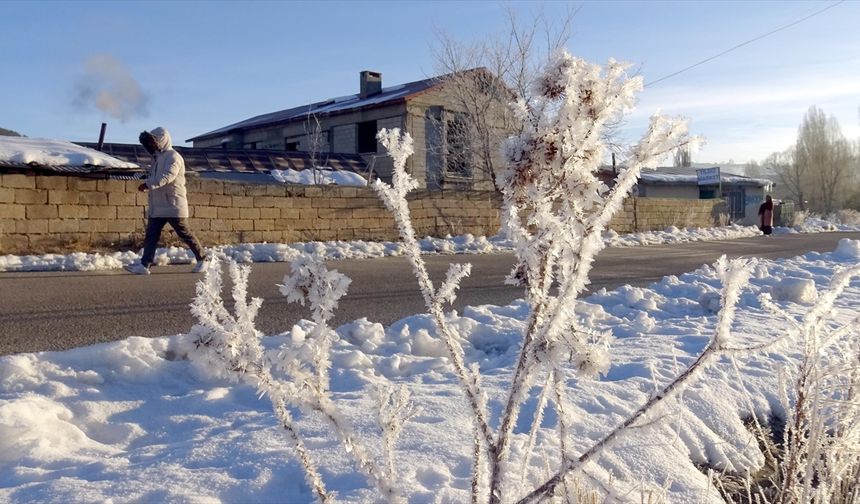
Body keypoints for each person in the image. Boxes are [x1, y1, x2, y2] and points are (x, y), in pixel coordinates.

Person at [124, 127, 210, 275]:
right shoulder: (157, 158)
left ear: (162, 140)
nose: (152, 145)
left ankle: (203, 259)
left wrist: (147, 184)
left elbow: (167, 177)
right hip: (158, 206)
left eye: (154, 141)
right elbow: (156, 177)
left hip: (173, 205)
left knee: (185, 234)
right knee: (151, 236)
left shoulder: (173, 156)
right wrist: (147, 180)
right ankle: (144, 265)